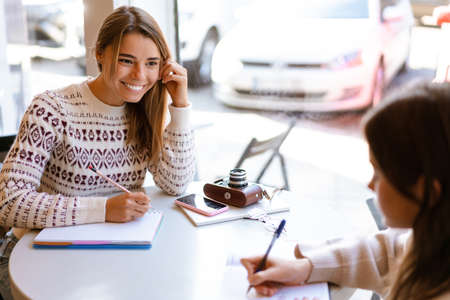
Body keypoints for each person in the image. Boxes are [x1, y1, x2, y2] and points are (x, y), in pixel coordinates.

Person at [0, 6, 195, 300]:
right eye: (126, 60)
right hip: (38, 258)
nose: (140, 75)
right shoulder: (53, 109)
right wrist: (104, 210)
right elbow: (9, 202)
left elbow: (176, 183)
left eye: (152, 63)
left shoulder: (144, 110)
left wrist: (179, 106)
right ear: (100, 54)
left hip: (115, 254)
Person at [241, 82, 450, 300]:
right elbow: (389, 253)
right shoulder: (430, 242)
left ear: (427, 191)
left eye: (379, 173)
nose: (370, 185)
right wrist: (305, 267)